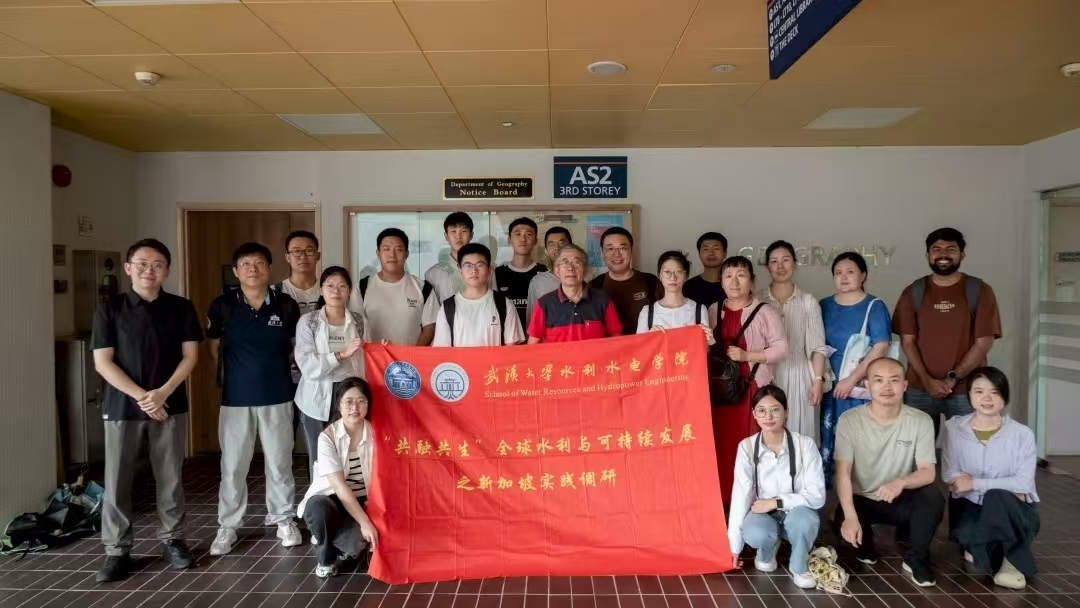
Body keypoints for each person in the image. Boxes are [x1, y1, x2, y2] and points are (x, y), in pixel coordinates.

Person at [90, 239, 202, 583]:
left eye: (157, 264)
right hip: (122, 406)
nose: (149, 270)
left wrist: (163, 393)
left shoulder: (181, 307)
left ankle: (173, 539)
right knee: (117, 479)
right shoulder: (110, 308)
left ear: (167, 270)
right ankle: (117, 550)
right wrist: (143, 396)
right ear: (128, 268)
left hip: (169, 404)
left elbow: (190, 356)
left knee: (170, 476)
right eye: (141, 263)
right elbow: (103, 362)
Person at [206, 242, 303, 556]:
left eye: (259, 262)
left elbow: (295, 347)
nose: (253, 268)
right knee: (233, 465)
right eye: (246, 263)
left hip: (278, 395)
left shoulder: (286, 305)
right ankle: (228, 526)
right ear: (236, 271)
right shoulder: (222, 305)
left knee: (279, 462)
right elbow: (214, 347)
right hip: (235, 399)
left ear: (269, 269)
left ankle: (283, 519)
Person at [834, 358, 944, 588]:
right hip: (863, 500)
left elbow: (928, 473)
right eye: (878, 380)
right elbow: (842, 473)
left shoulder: (921, 420)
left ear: (904, 385)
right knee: (855, 545)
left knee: (933, 497)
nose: (886, 387)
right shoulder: (849, 420)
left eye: (894, 380)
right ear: (867, 385)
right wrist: (850, 517)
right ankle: (866, 541)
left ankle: (916, 558)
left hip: (899, 499)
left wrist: (901, 482)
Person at [893, 228, 1002, 438]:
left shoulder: (979, 290)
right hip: (919, 389)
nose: (943, 254)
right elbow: (908, 342)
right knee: (916, 450)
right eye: (937, 249)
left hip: (967, 389)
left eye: (951, 249)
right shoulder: (914, 291)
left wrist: (951, 380)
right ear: (928, 255)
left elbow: (983, 343)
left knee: (968, 449)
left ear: (962, 255)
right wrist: (927, 380)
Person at [942, 367, 1039, 590]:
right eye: (979, 391)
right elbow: (949, 472)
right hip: (971, 507)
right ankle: (992, 546)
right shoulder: (954, 428)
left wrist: (974, 483)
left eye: (995, 392)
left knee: (998, 497)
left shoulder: (1021, 434)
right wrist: (1006, 485)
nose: (987, 398)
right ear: (969, 395)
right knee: (970, 537)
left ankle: (1012, 563)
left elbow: (1023, 484)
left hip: (1015, 510)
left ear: (1004, 396)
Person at [708, 256, 788, 501]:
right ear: (721, 281)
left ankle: (754, 502)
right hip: (721, 390)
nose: (734, 281)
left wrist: (747, 356)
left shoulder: (765, 311)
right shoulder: (712, 310)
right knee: (722, 445)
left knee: (752, 445)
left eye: (741, 275)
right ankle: (724, 501)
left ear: (752, 281)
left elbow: (782, 349)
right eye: (728, 276)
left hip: (753, 390)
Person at [728, 386, 825, 589]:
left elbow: (817, 496)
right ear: (754, 414)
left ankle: (799, 566)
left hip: (796, 512)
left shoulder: (805, 445)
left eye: (775, 409)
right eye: (762, 410)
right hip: (763, 514)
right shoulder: (746, 447)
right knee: (756, 533)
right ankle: (767, 552)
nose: (769, 416)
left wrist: (776, 502)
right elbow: (740, 496)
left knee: (805, 521)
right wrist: (734, 547)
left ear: (786, 412)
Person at [818, 252, 891, 484]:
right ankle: (831, 493)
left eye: (850, 272)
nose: (844, 277)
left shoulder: (874, 306)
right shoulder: (824, 305)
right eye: (838, 273)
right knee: (828, 437)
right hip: (829, 384)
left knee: (859, 441)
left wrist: (850, 380)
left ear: (863, 275)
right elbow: (816, 345)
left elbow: (881, 347)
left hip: (858, 386)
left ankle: (860, 493)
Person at [298, 378, 380, 579]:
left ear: (368, 404)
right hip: (333, 499)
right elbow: (340, 488)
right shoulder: (328, 437)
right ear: (339, 405)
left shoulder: (376, 433)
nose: (355, 408)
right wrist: (365, 522)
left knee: (355, 544)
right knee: (318, 508)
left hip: (364, 501)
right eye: (349, 402)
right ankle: (325, 557)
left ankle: (342, 542)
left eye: (361, 401)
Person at [295, 266, 370, 480]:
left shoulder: (358, 321)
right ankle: (319, 499)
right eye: (330, 285)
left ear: (349, 291)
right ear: (321, 290)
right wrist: (340, 355)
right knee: (319, 456)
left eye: (342, 286)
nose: (336, 290)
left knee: (349, 452)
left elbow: (368, 354)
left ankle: (346, 497)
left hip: (349, 396)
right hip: (315, 397)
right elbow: (307, 365)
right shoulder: (308, 322)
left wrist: (382, 349)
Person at [761, 241, 829, 443]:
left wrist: (817, 381)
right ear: (767, 266)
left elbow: (817, 347)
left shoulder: (808, 302)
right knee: (767, 434)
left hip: (799, 374)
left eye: (786, 260)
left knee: (801, 435)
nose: (780, 266)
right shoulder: (757, 300)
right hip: (766, 374)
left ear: (795, 263)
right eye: (774, 261)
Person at [349, 228, 438, 346]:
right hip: (372, 357)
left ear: (406, 254)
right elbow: (355, 326)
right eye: (386, 249)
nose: (392, 255)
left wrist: (412, 355)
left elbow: (429, 328)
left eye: (399, 250)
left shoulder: (423, 288)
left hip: (410, 357)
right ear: (378, 253)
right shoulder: (361, 288)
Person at [433, 243, 524, 347]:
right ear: (460, 271)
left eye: (480, 265)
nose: (474, 270)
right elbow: (442, 352)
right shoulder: (447, 308)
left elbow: (511, 349)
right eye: (468, 265)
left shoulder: (504, 305)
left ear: (489, 270)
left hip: (495, 359)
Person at [277, 230, 322, 440]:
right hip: (285, 375)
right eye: (296, 251)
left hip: (321, 375)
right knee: (283, 435)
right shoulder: (275, 292)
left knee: (320, 436)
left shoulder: (330, 288)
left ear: (318, 255)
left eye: (309, 250)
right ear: (287, 257)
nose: (303, 256)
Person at [528, 244, 622, 343]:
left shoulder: (603, 301)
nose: (570, 268)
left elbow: (617, 341)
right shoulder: (544, 304)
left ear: (585, 270)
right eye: (565, 262)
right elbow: (532, 346)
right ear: (557, 271)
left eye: (577, 262)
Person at [590, 227, 659, 335]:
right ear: (602, 252)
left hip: (645, 344)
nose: (617, 254)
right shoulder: (593, 287)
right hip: (609, 345)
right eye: (610, 249)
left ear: (631, 250)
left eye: (623, 248)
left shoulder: (651, 282)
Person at [636, 250, 713, 344]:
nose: (673, 278)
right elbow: (640, 349)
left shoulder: (699, 310)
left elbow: (705, 350)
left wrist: (707, 340)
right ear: (659, 275)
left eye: (679, 272)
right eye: (667, 272)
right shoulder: (647, 313)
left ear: (686, 275)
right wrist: (651, 338)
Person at [425, 211, 495, 302]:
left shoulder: (487, 271)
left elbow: (494, 302)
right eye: (453, 231)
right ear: (446, 236)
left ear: (471, 235)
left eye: (464, 231)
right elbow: (431, 308)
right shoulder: (433, 274)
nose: (458, 236)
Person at [496, 217, 547, 328]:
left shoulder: (545, 273)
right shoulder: (498, 274)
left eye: (529, 234)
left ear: (535, 241)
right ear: (509, 240)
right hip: (506, 336)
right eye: (518, 234)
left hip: (536, 337)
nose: (523, 239)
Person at [526, 226, 573, 323]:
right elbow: (532, 319)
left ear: (571, 246)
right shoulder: (538, 281)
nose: (557, 248)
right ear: (546, 250)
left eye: (562, 243)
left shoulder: (585, 277)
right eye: (552, 244)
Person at [683, 231, 727, 309]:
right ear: (699, 254)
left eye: (716, 248)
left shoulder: (733, 285)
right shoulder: (689, 286)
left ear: (725, 253)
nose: (711, 253)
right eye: (705, 249)